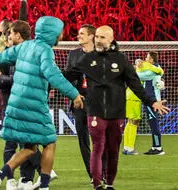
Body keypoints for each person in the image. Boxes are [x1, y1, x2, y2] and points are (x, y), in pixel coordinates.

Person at [0, 16, 83, 190]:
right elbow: (53, 75)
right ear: (53, 33)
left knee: (29, 147)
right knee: (50, 142)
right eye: (60, 32)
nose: (62, 36)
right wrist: (74, 94)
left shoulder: (25, 46)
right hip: (34, 104)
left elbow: (4, 55)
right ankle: (44, 185)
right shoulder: (45, 51)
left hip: (16, 102)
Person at [64, 26, 170, 190]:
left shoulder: (121, 60)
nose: (98, 40)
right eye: (97, 37)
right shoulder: (87, 59)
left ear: (111, 40)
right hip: (94, 111)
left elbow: (135, 84)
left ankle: (109, 182)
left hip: (116, 112)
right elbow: (67, 76)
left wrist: (152, 102)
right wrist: (45, 81)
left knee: (112, 150)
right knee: (98, 146)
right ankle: (97, 183)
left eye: (102, 37)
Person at [0, 20, 43, 190]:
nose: (8, 39)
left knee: (24, 143)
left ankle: (28, 177)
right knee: (15, 143)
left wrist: (3, 79)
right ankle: (16, 179)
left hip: (24, 104)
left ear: (17, 36)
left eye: (10, 35)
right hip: (11, 103)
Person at [65, 24, 96, 181]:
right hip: (79, 101)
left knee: (99, 139)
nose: (79, 36)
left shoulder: (101, 54)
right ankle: (92, 173)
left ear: (91, 36)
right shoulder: (74, 54)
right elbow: (68, 78)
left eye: (82, 33)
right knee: (83, 140)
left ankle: (101, 170)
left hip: (97, 103)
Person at [122, 57, 162, 155]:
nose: (144, 60)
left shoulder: (138, 69)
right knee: (134, 121)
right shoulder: (140, 71)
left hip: (130, 96)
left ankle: (126, 147)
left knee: (130, 121)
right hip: (134, 97)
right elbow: (159, 70)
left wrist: (140, 63)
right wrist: (146, 64)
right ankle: (130, 148)